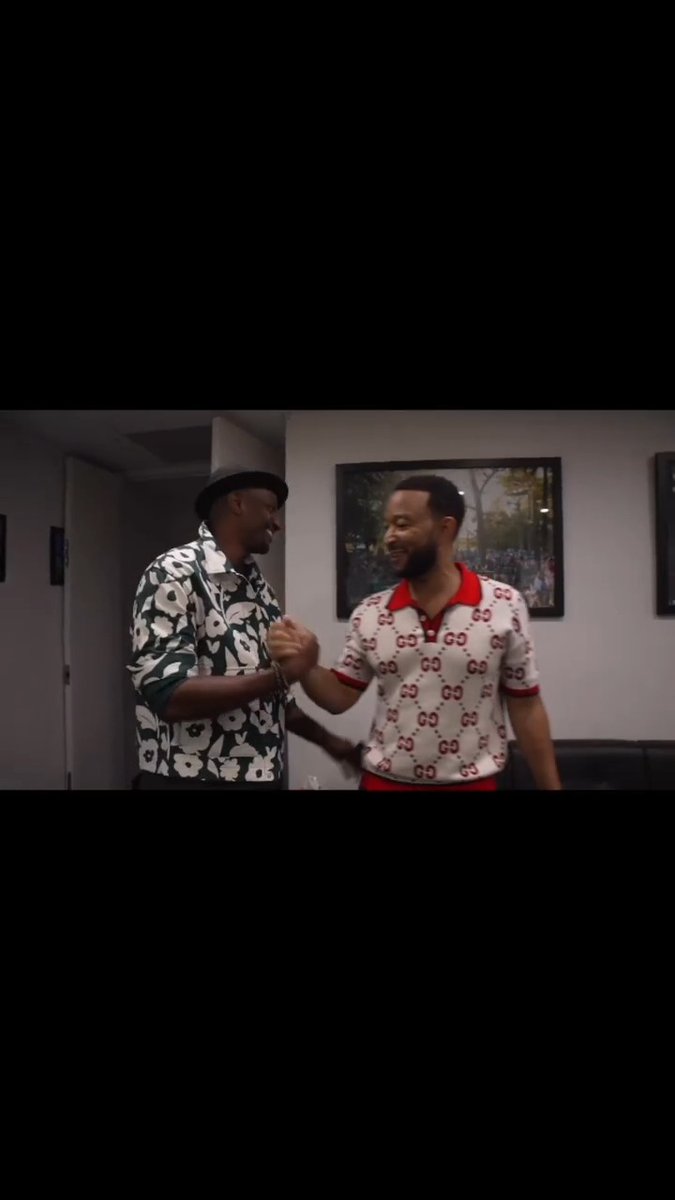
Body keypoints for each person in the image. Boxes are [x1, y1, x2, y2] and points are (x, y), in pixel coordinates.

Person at [268, 475, 561, 792]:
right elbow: (338, 697)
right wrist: (307, 664)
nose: (389, 537)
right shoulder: (371, 612)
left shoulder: (504, 604)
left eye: (402, 524)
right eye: (388, 526)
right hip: (383, 784)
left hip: (476, 784)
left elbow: (526, 706)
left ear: (445, 528)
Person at [128, 466, 361, 790]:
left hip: (262, 777)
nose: (277, 523)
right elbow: (169, 695)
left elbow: (271, 699)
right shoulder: (174, 572)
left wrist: (332, 744)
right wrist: (283, 675)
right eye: (270, 509)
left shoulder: (259, 590)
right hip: (190, 780)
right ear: (238, 503)